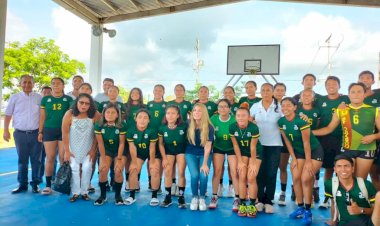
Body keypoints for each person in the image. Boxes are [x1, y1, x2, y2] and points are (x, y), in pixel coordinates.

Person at [313, 83, 380, 180]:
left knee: (360, 180)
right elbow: (329, 128)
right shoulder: (341, 110)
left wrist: (373, 137)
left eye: (359, 92)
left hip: (366, 148)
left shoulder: (374, 110)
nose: (356, 94)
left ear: (364, 94)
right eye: (353, 92)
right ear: (349, 95)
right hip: (347, 148)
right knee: (346, 178)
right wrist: (310, 132)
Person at [279, 97, 324, 225]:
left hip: (314, 151)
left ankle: (308, 210)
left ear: (294, 107)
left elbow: (306, 142)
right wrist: (293, 158)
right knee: (296, 178)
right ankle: (300, 208)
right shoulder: (281, 121)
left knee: (305, 178)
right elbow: (287, 141)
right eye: (283, 105)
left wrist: (309, 161)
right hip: (298, 152)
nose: (285, 108)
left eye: (289, 105)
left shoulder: (301, 121)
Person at [4, 75, 42, 194]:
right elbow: (8, 115)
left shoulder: (39, 98)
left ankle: (35, 184)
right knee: (22, 160)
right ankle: (22, 184)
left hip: (36, 134)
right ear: (20, 84)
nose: (27, 85)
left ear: (33, 84)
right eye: (24, 82)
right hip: (20, 134)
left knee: (36, 160)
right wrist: (6, 130)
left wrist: (41, 132)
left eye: (29, 82)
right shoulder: (14, 97)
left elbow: (42, 116)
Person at [315, 76, 350, 208]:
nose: (331, 86)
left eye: (334, 84)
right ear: (325, 86)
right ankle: (327, 197)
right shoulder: (320, 101)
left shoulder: (345, 99)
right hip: (324, 138)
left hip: (343, 138)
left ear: (339, 86)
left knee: (342, 169)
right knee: (329, 169)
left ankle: (342, 197)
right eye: (328, 84)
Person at [251, 83, 283, 214]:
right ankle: (259, 200)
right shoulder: (255, 106)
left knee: (271, 173)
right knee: (259, 173)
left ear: (273, 92)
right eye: (263, 90)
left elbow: (288, 120)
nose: (265, 92)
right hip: (258, 144)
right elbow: (248, 120)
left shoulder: (279, 107)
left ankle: (268, 200)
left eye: (268, 90)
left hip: (275, 145)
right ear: (260, 92)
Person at [62, 93, 100, 202]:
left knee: (87, 168)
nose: (84, 105)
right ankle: (75, 193)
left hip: (88, 148)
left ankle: (84, 192)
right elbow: (64, 133)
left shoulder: (95, 115)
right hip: (73, 148)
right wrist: (67, 151)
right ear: (76, 102)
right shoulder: (69, 114)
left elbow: (97, 134)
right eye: (81, 102)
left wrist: (93, 150)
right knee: (74, 168)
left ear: (90, 105)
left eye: (87, 103)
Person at [38, 77, 73, 195]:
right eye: (53, 83)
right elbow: (42, 117)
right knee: (50, 157)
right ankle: (48, 185)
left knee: (63, 158)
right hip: (49, 130)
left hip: (64, 131)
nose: (56, 85)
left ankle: (63, 183)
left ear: (63, 86)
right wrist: (40, 132)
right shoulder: (45, 99)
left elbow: (71, 117)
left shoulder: (68, 99)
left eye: (58, 83)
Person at [324, 155, 377, 226]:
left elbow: (377, 211)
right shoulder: (329, 184)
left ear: (352, 168)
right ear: (335, 169)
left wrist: (360, 210)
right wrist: (333, 221)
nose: (343, 169)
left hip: (367, 222)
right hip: (344, 223)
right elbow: (333, 203)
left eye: (347, 166)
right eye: (339, 166)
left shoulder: (366, 185)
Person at [230, 106, 262, 218]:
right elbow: (235, 145)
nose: (241, 118)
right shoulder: (232, 127)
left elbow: (253, 147)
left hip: (255, 153)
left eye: (243, 115)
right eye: (238, 115)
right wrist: (239, 161)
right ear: (235, 117)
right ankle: (242, 203)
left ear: (248, 117)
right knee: (242, 175)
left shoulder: (254, 127)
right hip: (242, 153)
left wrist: (253, 163)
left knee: (251, 177)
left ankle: (252, 204)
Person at [124, 109, 160, 206]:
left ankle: (154, 196)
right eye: (140, 117)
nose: (142, 120)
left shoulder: (152, 130)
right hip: (139, 153)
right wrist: (135, 162)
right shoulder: (131, 130)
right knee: (133, 169)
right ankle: (132, 195)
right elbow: (132, 147)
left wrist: (152, 162)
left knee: (154, 169)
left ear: (149, 120)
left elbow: (152, 148)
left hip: (153, 153)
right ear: (135, 119)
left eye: (145, 118)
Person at [94, 103, 127, 205]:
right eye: (108, 112)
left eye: (113, 112)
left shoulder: (122, 126)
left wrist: (119, 159)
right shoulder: (98, 126)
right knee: (103, 169)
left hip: (119, 151)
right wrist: (103, 159)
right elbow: (100, 143)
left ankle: (118, 195)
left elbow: (122, 143)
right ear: (104, 114)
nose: (110, 114)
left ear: (117, 115)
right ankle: (103, 195)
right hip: (106, 151)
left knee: (118, 170)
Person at [209, 99, 238, 210]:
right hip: (218, 147)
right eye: (220, 106)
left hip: (232, 147)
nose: (222, 108)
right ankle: (214, 196)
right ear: (217, 109)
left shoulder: (235, 120)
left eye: (225, 106)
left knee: (234, 172)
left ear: (230, 109)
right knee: (217, 171)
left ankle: (237, 197)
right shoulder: (213, 119)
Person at [186, 103, 214, 211]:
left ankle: (201, 197)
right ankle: (194, 197)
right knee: (194, 175)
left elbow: (208, 147)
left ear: (204, 113)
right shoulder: (188, 124)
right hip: (190, 153)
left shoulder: (209, 127)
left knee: (203, 175)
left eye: (199, 111)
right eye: (195, 110)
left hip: (204, 153)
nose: (196, 113)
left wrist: (204, 164)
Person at [158, 105, 187, 208]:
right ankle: (168, 196)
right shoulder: (162, 128)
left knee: (181, 172)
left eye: (173, 113)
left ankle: (181, 196)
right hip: (169, 151)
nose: (170, 116)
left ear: (178, 115)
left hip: (181, 151)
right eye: (168, 113)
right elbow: (161, 144)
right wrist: (164, 158)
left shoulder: (184, 126)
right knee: (168, 172)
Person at [297, 89, 321, 204]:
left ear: (313, 98)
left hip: (313, 145)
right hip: (299, 147)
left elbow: (318, 126)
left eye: (309, 95)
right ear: (300, 98)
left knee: (308, 175)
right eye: (304, 95)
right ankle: (300, 200)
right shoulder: (296, 110)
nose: (306, 97)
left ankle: (309, 197)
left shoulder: (317, 110)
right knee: (299, 175)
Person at [167, 84, 192, 192]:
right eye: (176, 90)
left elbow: (191, 117)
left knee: (180, 166)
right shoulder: (169, 103)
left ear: (184, 91)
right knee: (170, 165)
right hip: (171, 131)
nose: (179, 91)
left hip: (182, 130)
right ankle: (172, 184)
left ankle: (180, 189)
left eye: (181, 90)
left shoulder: (188, 104)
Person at [358, 70, 380, 191]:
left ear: (373, 81)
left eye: (368, 78)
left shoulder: (378, 95)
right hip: (362, 142)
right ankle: (365, 203)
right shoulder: (353, 97)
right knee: (365, 174)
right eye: (362, 78)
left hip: (377, 138)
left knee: (376, 174)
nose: (365, 80)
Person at [124, 87, 146, 191]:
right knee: (128, 159)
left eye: (137, 93)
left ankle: (136, 180)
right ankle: (128, 181)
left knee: (137, 159)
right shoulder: (125, 106)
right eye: (133, 92)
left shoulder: (144, 106)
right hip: (127, 135)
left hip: (140, 135)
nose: (135, 94)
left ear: (140, 95)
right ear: (130, 94)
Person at [147, 84, 166, 191]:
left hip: (162, 134)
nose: (158, 92)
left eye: (160, 90)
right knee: (151, 158)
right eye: (156, 90)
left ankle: (158, 182)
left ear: (163, 92)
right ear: (153, 92)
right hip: (150, 134)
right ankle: (151, 180)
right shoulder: (149, 104)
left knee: (161, 158)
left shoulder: (166, 104)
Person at [38, 85, 52, 181]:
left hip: (50, 133)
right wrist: (40, 132)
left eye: (48, 92)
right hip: (39, 133)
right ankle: (39, 177)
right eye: (44, 92)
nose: (46, 94)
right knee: (40, 157)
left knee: (51, 157)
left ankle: (53, 177)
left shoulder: (52, 104)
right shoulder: (39, 103)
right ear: (41, 93)